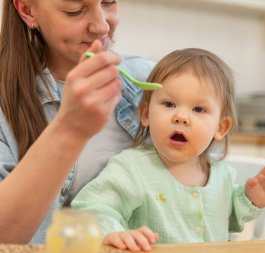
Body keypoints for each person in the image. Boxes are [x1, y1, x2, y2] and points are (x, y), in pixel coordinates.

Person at [72, 48, 265, 252]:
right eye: (169, 104)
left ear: (220, 128)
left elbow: (226, 216)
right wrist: (112, 234)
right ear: (145, 114)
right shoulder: (131, 169)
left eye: (199, 109)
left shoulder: (223, 174)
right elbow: (91, 209)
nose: (181, 117)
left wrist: (250, 199)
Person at [0, 0, 155, 243]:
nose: (102, 27)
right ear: (28, 10)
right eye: (75, 10)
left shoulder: (153, 81)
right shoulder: (5, 103)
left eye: (109, 2)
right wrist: (69, 128)